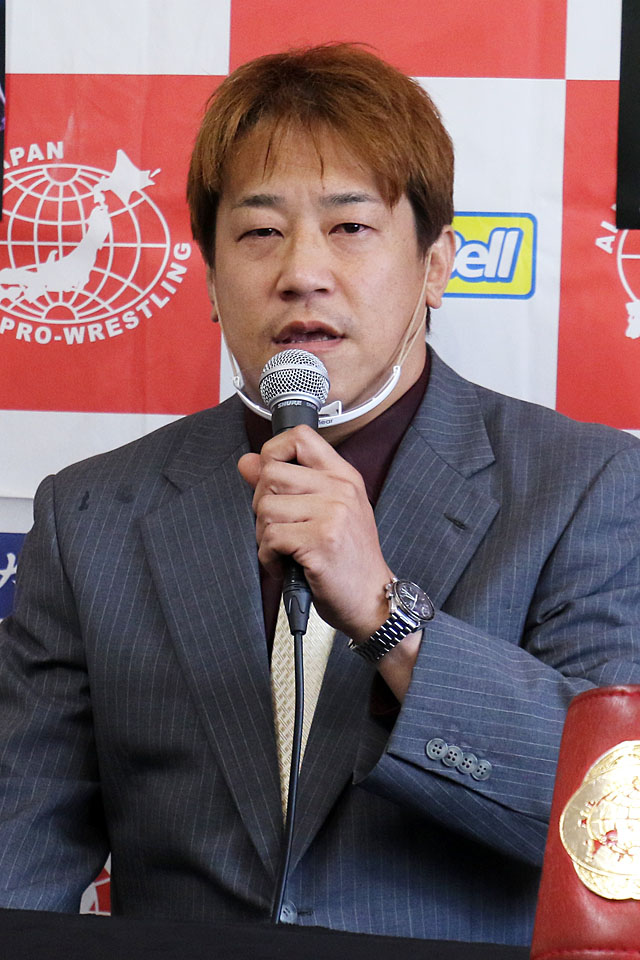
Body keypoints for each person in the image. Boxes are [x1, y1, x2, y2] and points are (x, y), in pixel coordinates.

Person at [2, 43, 640, 947]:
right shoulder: (90, 514)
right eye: (260, 232)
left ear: (436, 264)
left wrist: (389, 618)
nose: (302, 270)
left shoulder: (586, 485)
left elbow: (612, 821)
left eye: (349, 227)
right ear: (210, 277)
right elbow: (19, 852)